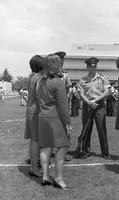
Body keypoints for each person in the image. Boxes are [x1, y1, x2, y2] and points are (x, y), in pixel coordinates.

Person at [36, 54, 72, 190]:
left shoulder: (40, 81)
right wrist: (68, 123)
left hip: (43, 117)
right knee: (63, 146)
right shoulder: (58, 82)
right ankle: (59, 178)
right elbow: (63, 106)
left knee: (45, 147)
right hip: (55, 118)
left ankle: (45, 176)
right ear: (57, 66)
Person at [75, 57, 111, 159]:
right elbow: (80, 93)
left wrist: (95, 101)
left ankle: (105, 153)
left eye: (94, 66)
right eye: (91, 66)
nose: (93, 68)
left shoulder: (102, 78)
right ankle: (85, 151)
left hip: (99, 105)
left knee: (101, 129)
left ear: (96, 67)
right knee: (86, 129)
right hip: (87, 105)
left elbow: (107, 92)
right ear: (87, 67)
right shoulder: (82, 80)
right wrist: (89, 102)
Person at [24, 55, 44, 178]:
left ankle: (33, 167)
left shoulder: (32, 77)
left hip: (31, 111)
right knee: (36, 141)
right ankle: (34, 169)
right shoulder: (38, 78)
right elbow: (41, 97)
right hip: (36, 112)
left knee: (34, 141)